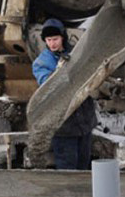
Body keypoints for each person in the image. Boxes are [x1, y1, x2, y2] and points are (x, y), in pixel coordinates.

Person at [32, 18, 97, 170]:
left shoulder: (76, 52)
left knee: (83, 166)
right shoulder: (41, 63)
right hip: (63, 126)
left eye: (55, 39)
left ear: (63, 38)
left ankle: (83, 194)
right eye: (48, 40)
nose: (52, 43)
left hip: (84, 123)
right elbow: (48, 85)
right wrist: (61, 70)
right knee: (67, 169)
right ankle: (68, 194)